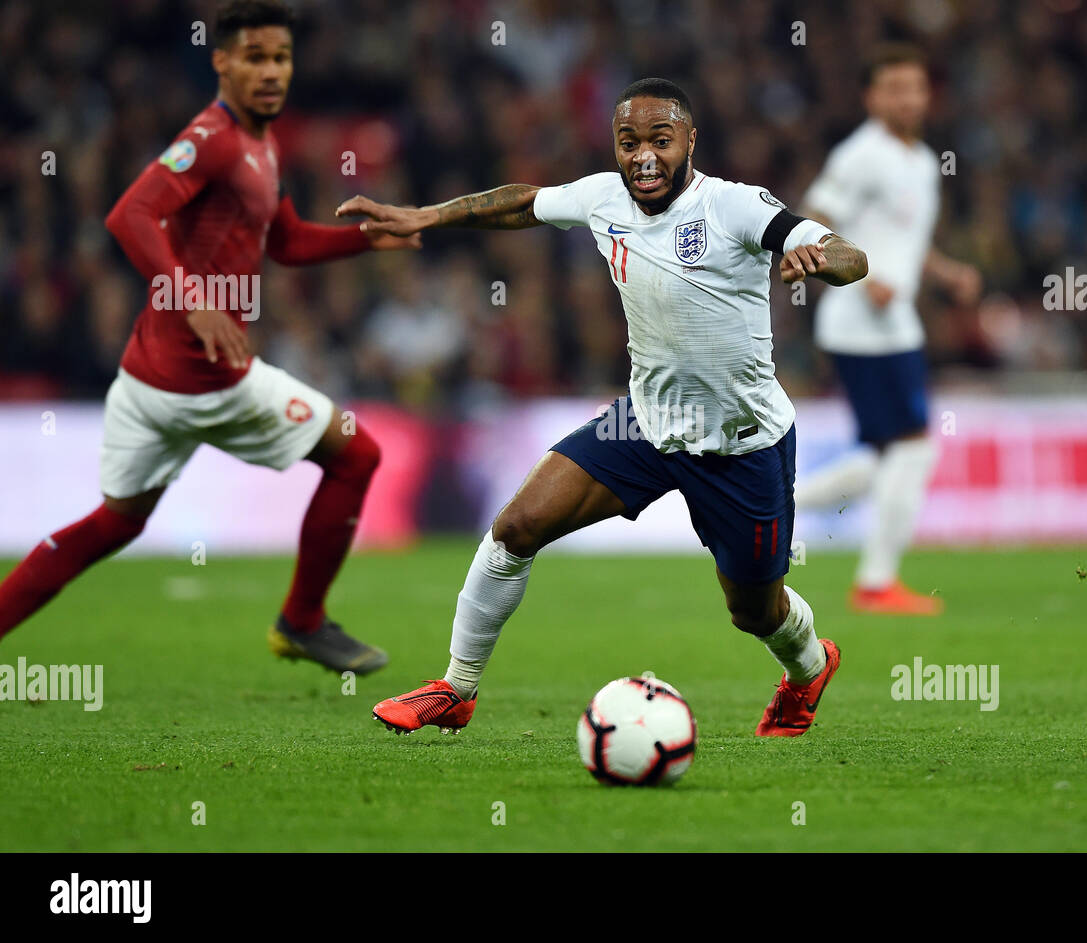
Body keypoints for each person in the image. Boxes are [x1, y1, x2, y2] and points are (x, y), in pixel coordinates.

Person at [339, 77, 868, 738]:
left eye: (659, 140)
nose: (643, 155)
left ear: (690, 142)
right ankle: (457, 686)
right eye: (628, 141)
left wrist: (818, 258)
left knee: (755, 612)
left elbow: (851, 254)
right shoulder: (602, 197)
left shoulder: (735, 207)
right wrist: (426, 217)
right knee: (516, 527)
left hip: (742, 445)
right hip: (643, 424)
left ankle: (810, 667)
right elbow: (522, 204)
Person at [0, 0, 419, 673]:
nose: (271, 72)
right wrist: (193, 300)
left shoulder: (262, 143)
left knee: (112, 525)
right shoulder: (214, 137)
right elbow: (130, 213)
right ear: (220, 61)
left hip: (148, 379)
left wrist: (370, 237)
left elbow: (285, 241)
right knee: (356, 456)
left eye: (280, 57)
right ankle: (301, 621)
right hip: (210, 381)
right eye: (254, 57)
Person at [797, 44, 981, 615]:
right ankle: (876, 583)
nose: (907, 98)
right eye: (894, 88)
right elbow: (814, 215)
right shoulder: (860, 155)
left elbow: (907, 241)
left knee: (887, 456)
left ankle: (778, 500)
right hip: (859, 321)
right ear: (871, 97)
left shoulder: (923, 162)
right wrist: (853, 267)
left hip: (897, 321)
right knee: (913, 449)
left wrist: (948, 273)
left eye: (915, 87)